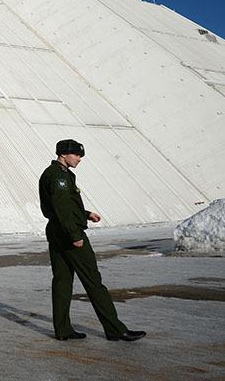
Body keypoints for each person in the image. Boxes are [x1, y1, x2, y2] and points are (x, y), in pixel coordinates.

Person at [39, 139, 146, 342]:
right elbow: (62, 209)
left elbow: (63, 206)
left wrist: (85, 214)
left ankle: (63, 330)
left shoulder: (56, 174)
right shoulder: (58, 176)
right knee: (93, 281)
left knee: (62, 281)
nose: (80, 159)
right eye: (77, 155)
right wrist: (75, 235)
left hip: (57, 231)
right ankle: (115, 329)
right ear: (63, 154)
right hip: (68, 234)